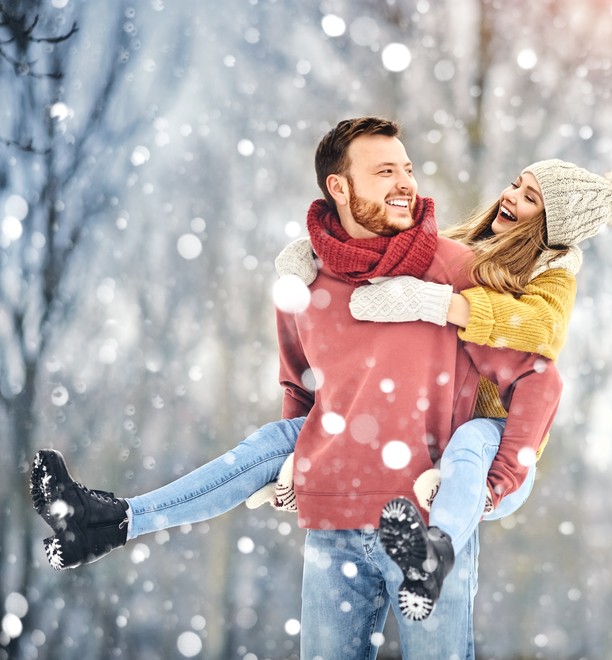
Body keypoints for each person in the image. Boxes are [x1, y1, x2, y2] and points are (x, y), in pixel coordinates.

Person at [30, 116, 563, 660]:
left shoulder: (454, 270)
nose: (406, 182)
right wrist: (295, 469)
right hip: (335, 523)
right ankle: (107, 521)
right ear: (339, 186)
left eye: (407, 169)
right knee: (265, 443)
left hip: (422, 528)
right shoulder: (305, 278)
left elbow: (538, 375)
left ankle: (111, 520)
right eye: (385, 171)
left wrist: (498, 481)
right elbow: (300, 388)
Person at [272, 158, 612, 620]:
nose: (511, 196)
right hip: (442, 438)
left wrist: (437, 302)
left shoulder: (553, 276)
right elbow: (385, 249)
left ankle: (439, 551)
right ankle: (280, 472)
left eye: (531, 198)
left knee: (468, 448)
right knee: (297, 441)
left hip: (501, 444)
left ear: (552, 227)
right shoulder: (465, 246)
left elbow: (540, 328)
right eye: (516, 183)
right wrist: (310, 253)